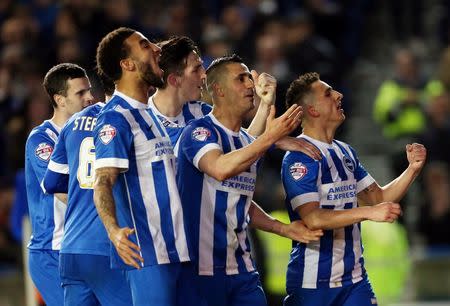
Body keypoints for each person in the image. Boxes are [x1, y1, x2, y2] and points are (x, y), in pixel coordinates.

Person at [176, 54, 323, 306]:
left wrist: (283, 229)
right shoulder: (199, 131)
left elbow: (240, 199)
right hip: (200, 269)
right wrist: (271, 136)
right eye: (240, 79)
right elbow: (220, 168)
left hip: (242, 268)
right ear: (219, 90)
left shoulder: (244, 141)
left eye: (249, 78)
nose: (249, 85)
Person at [281, 72, 426, 306]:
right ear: (313, 110)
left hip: (355, 280)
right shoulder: (299, 158)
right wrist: (367, 213)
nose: (339, 95)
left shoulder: (345, 152)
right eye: (328, 94)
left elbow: (378, 198)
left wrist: (412, 170)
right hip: (314, 284)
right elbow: (313, 218)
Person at [93, 27, 200, 306]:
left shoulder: (147, 114)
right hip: (148, 254)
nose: (156, 49)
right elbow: (103, 180)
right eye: (145, 45)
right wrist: (114, 231)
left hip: (177, 250)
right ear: (127, 64)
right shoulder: (115, 118)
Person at [41, 77, 133, 306]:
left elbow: (51, 183)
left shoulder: (72, 123)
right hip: (108, 246)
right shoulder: (128, 120)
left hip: (71, 249)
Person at [151, 35, 321, 157]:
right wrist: (271, 140)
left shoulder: (200, 111)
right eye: (196, 69)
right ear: (174, 80)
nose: (204, 75)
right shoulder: (141, 119)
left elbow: (239, 142)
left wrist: (264, 104)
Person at [24, 63, 94, 306]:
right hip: (52, 250)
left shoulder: (91, 134)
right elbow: (62, 190)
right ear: (60, 100)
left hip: (82, 246)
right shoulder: (42, 139)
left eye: (89, 90)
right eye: (80, 93)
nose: (90, 98)